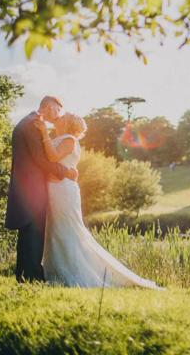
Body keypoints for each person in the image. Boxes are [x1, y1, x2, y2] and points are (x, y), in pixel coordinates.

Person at [34, 112, 163, 290]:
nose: (59, 117)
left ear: (68, 124)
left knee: (67, 231)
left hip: (63, 191)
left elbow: (54, 157)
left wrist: (43, 133)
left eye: (63, 117)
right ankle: (56, 273)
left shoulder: (69, 139)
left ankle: (76, 274)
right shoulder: (60, 138)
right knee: (55, 231)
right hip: (54, 189)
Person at [5, 96, 78, 283]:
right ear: (49, 107)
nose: (58, 115)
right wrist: (65, 171)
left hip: (29, 186)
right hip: (32, 188)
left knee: (29, 231)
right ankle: (33, 277)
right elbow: (40, 160)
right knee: (34, 232)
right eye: (58, 110)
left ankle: (23, 274)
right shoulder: (33, 124)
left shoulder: (31, 122)